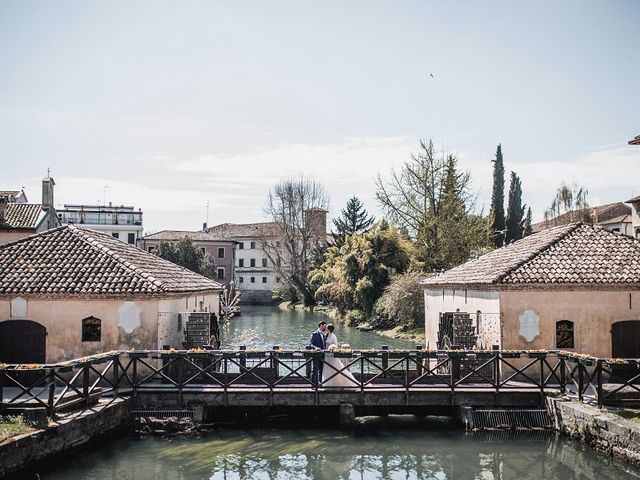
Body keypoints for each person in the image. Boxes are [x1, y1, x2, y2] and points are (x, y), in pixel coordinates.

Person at [308, 321, 327, 385]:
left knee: (321, 369)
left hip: (323, 354)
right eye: (324, 326)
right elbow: (310, 344)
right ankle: (313, 384)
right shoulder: (315, 334)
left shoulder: (324, 334)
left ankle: (320, 383)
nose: (325, 327)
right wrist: (316, 348)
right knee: (315, 369)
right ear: (321, 325)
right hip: (316, 354)